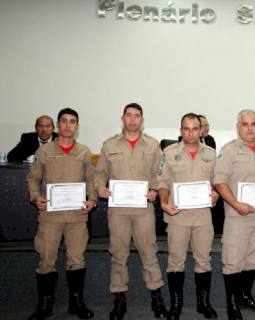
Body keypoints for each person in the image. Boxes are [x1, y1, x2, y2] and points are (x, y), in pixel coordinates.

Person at [94, 103, 167, 319]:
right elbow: (99, 174)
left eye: (137, 116)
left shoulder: (153, 146)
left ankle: (156, 298)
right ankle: (119, 300)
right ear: (122, 118)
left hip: (143, 208)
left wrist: (155, 189)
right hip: (118, 210)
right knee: (118, 254)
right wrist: (100, 188)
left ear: (142, 120)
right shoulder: (109, 145)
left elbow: (158, 174)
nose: (133, 120)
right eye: (129, 115)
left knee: (149, 253)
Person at [27, 108, 96, 320]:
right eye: (64, 121)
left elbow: (91, 181)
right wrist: (35, 197)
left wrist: (92, 199)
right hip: (51, 216)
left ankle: (76, 302)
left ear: (77, 126)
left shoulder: (84, 152)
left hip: (77, 216)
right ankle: (45, 305)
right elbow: (33, 179)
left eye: (72, 122)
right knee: (47, 258)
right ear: (58, 125)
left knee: (77, 259)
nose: (68, 125)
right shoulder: (44, 152)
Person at [158, 113, 219, 320]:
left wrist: (215, 195)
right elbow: (163, 183)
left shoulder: (211, 154)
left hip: (203, 218)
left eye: (195, 128)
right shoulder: (168, 153)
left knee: (204, 261)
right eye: (186, 128)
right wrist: (164, 203)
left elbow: (216, 183)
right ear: (181, 130)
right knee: (176, 262)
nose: (190, 133)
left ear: (201, 130)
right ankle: (176, 305)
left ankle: (203, 303)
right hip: (177, 218)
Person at [214, 109, 255, 320]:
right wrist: (236, 204)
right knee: (233, 260)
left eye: (253, 124)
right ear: (238, 127)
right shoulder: (228, 150)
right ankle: (232, 304)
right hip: (237, 215)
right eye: (245, 124)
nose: (250, 128)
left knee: (254, 259)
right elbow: (220, 182)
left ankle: (245, 296)